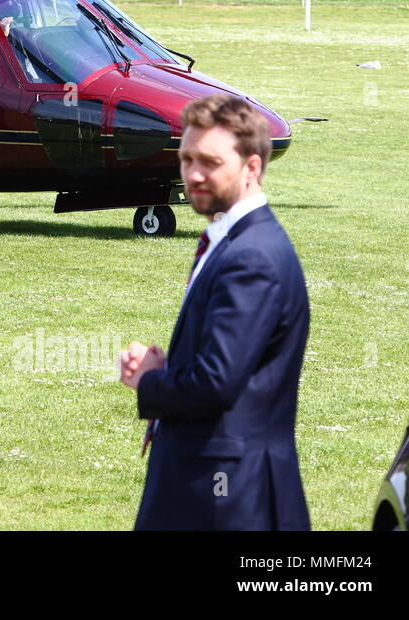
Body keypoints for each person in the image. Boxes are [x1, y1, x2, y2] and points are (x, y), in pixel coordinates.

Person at [120, 93, 311, 530]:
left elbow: (215, 384)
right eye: (187, 159)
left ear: (252, 167)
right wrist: (171, 367)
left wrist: (148, 380)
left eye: (210, 161)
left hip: (225, 499)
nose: (194, 174)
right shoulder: (232, 241)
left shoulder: (251, 258)